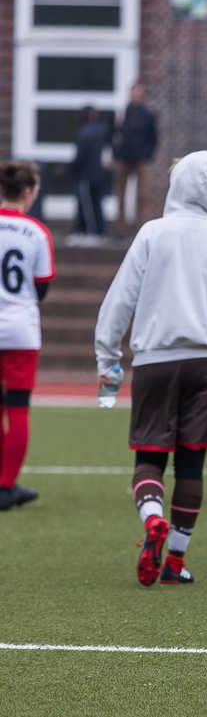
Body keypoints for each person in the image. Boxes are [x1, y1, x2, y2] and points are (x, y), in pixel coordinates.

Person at [94, 150, 207, 586]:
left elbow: (120, 299)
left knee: (149, 457)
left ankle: (151, 521)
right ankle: (177, 561)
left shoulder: (153, 234)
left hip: (155, 360)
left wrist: (107, 357)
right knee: (191, 463)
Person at [0, 160, 55, 512]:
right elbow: (42, 286)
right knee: (18, 409)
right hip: (20, 330)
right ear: (28, 192)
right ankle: (6, 487)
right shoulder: (37, 231)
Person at [112, 82, 159, 233]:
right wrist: (116, 152)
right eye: (133, 93)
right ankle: (120, 227)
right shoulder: (122, 113)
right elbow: (111, 133)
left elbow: (154, 137)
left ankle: (143, 226)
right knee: (120, 194)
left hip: (142, 159)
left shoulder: (148, 115)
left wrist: (148, 154)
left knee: (143, 195)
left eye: (138, 93)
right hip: (123, 158)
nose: (135, 96)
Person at [69, 105, 110, 245]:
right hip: (99, 175)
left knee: (86, 205)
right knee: (97, 204)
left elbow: (80, 156)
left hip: (86, 175)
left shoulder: (83, 132)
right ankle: (98, 231)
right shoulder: (102, 131)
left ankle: (89, 232)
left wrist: (71, 169)